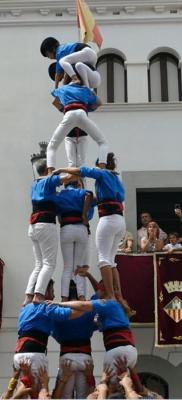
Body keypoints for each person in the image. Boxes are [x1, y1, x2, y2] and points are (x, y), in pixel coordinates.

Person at [52, 153, 127, 303]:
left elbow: (82, 170)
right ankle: (118, 295)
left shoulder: (101, 173)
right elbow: (91, 196)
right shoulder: (116, 178)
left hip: (105, 220)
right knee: (111, 260)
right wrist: (85, 212)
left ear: (101, 164)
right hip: (119, 220)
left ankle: (110, 296)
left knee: (102, 260)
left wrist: (60, 169)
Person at [14, 280, 82, 393]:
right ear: (44, 291)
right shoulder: (45, 306)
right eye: (52, 291)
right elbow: (72, 313)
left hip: (19, 355)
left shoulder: (25, 308)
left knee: (23, 393)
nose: (54, 295)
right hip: (34, 355)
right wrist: (89, 307)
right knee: (38, 393)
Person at [24, 159, 68, 305]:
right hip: (45, 225)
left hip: (33, 226)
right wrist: (58, 172)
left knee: (38, 264)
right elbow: (69, 178)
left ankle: (28, 296)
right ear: (48, 170)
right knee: (49, 264)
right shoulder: (48, 181)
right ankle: (38, 295)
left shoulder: (35, 185)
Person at [47, 81, 108, 174]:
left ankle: (50, 173)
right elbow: (99, 102)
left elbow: (55, 101)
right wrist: (90, 93)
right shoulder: (84, 90)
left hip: (72, 126)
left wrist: (63, 108)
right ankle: (102, 170)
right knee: (81, 162)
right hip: (77, 124)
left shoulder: (65, 89)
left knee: (70, 161)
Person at [51, 284, 97, 399]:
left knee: (65, 396)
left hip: (67, 357)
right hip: (85, 357)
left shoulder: (60, 311)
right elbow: (100, 293)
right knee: (83, 396)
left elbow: (55, 333)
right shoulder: (87, 309)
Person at [55, 179, 94, 300]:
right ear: (76, 184)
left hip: (66, 228)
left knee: (67, 267)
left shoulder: (60, 194)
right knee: (78, 266)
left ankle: (64, 299)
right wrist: (84, 214)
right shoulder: (80, 192)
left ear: (65, 184)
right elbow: (90, 195)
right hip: (81, 228)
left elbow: (59, 214)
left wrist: (61, 218)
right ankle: (81, 297)